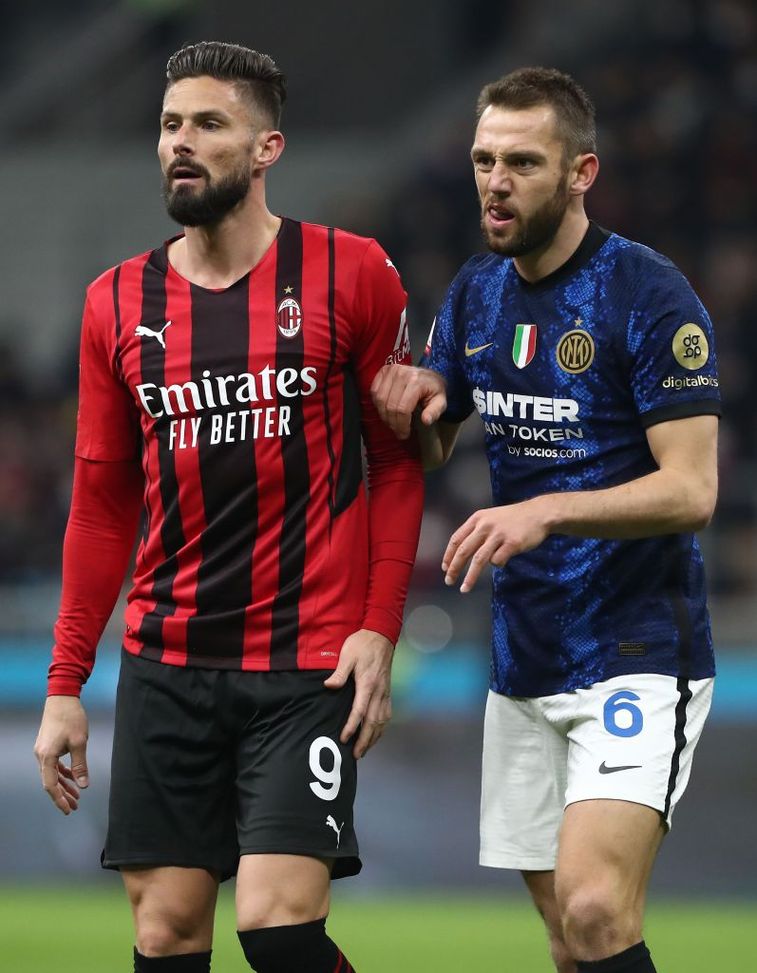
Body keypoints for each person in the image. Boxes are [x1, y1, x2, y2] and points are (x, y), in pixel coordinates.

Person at [33, 40, 423, 973]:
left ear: (266, 149)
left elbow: (398, 466)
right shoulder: (114, 303)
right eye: (170, 123)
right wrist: (64, 684)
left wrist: (378, 627)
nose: (181, 141)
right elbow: (99, 506)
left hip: (306, 665)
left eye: (209, 123)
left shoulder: (354, 272)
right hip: (167, 664)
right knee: (166, 934)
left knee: (277, 928)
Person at [371, 67, 719, 973]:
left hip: (637, 652)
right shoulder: (475, 296)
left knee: (600, 909)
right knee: (569, 937)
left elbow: (692, 489)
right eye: (484, 159)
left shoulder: (645, 294)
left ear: (579, 172)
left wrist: (545, 511)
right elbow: (433, 446)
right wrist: (408, 404)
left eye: (522, 161)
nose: (495, 180)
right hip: (523, 658)